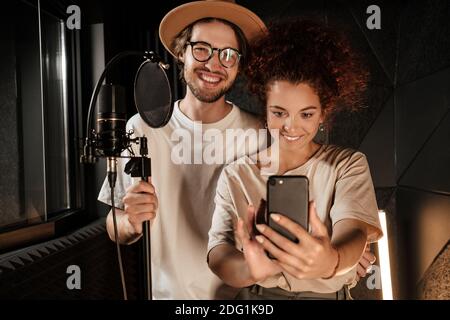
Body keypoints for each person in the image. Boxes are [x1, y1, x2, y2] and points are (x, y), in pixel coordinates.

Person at [98, 0, 375, 299]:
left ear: (240, 64)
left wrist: (340, 257)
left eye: (228, 54)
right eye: (202, 48)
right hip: (171, 294)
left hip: (244, 295)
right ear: (181, 51)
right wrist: (130, 222)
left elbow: (321, 206)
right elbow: (116, 225)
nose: (214, 64)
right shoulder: (141, 128)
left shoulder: (266, 133)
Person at [207, 19, 383, 300]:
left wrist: (332, 261)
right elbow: (218, 254)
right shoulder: (236, 175)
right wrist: (250, 269)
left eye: (306, 114)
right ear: (264, 109)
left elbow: (354, 232)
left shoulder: (347, 165)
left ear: (323, 112)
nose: (291, 126)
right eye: (279, 113)